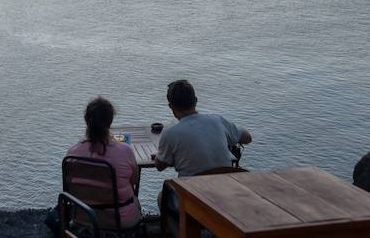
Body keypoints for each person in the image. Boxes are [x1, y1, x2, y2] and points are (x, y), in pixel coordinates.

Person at [154, 79, 253, 216]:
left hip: (193, 200)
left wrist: (166, 156)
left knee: (161, 197)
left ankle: (181, 232)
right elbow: (247, 138)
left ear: (171, 106)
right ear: (196, 100)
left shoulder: (171, 133)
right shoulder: (217, 120)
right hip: (225, 196)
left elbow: (160, 166)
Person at [45, 97, 141, 236]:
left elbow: (70, 187)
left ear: (86, 120)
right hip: (121, 219)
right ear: (110, 121)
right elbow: (133, 181)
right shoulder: (125, 151)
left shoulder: (72, 154)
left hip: (83, 216)